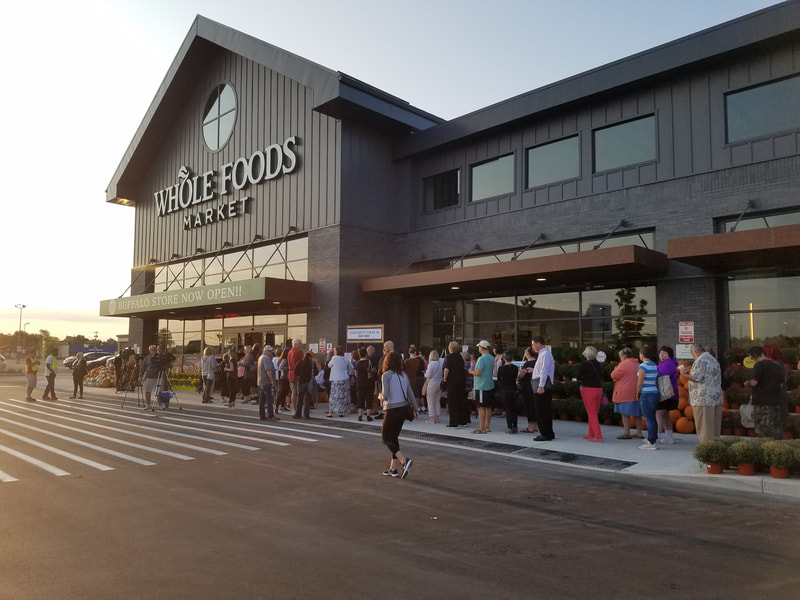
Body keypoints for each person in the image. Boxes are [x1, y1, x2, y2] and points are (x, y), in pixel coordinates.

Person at [379, 351, 417, 479]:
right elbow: (410, 393)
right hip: (403, 409)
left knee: (385, 438)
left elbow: (385, 395)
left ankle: (404, 460)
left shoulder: (386, 375)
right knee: (394, 438)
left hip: (392, 409)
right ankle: (393, 468)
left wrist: (379, 395)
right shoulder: (403, 375)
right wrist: (415, 409)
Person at [679, 343, 723, 443]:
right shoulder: (713, 359)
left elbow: (695, 377)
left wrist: (683, 374)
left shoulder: (700, 360)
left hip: (703, 399)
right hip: (715, 397)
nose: (692, 356)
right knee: (714, 427)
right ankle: (715, 447)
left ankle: (706, 449)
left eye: (692, 353)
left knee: (704, 427)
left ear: (696, 352)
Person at [744, 346, 787, 440]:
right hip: (775, 403)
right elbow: (781, 384)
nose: (752, 360)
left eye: (752, 358)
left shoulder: (759, 365)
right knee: (775, 432)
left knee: (763, 433)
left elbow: (754, 382)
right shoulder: (777, 366)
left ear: (755, 355)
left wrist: (747, 383)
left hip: (762, 404)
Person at [611, 347, 643, 439]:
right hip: (636, 392)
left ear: (623, 356)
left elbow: (613, 375)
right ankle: (639, 433)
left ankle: (627, 433)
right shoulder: (637, 364)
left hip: (624, 393)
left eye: (620, 356)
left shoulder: (623, 364)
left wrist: (615, 368)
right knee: (637, 414)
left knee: (625, 414)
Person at [531, 336, 555, 441]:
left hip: (542, 386)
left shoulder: (544, 354)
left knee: (541, 411)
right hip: (543, 384)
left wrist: (541, 386)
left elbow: (544, 371)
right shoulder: (544, 354)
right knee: (545, 410)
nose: (532, 346)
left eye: (533, 344)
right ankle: (548, 433)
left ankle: (545, 433)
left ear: (538, 344)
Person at [578, 346, 604, 442]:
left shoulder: (584, 364)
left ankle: (598, 436)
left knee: (591, 413)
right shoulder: (598, 364)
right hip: (598, 389)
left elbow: (578, 375)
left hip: (588, 389)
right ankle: (591, 434)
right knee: (593, 413)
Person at [636, 345, 660, 450]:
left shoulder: (643, 366)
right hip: (654, 392)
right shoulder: (654, 365)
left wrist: (637, 393)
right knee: (652, 418)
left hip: (646, 393)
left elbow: (640, 382)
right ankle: (652, 438)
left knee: (648, 418)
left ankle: (651, 442)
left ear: (642, 354)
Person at [469, 340, 496, 434]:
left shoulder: (481, 359)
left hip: (481, 386)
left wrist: (470, 371)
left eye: (479, 347)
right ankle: (487, 427)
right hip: (489, 384)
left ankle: (481, 427)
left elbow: (478, 373)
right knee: (488, 407)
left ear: (481, 347)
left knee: (481, 407)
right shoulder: (492, 358)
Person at [656, 346, 679, 444]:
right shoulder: (666, 363)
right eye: (660, 353)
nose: (661, 355)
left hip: (666, 394)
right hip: (671, 394)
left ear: (669, 354)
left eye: (664, 353)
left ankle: (656, 437)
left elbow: (659, 374)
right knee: (665, 416)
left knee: (659, 414)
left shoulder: (668, 364)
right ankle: (669, 437)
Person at [443, 342, 467, 428]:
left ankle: (453, 422)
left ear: (450, 348)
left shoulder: (448, 357)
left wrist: (444, 379)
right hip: (460, 382)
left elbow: (446, 369)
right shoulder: (460, 357)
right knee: (460, 401)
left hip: (452, 382)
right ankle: (462, 421)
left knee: (452, 402)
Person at [497, 350, 520, 434]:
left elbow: (499, 379)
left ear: (504, 358)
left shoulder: (501, 368)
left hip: (505, 390)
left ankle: (509, 427)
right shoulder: (515, 368)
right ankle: (515, 426)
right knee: (514, 409)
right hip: (514, 389)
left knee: (508, 409)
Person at [517, 347, 537, 433]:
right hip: (535, 386)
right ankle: (535, 426)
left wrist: (518, 377)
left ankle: (530, 427)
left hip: (527, 387)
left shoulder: (527, 364)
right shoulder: (537, 362)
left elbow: (521, 375)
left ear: (528, 353)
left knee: (529, 407)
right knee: (535, 406)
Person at [326, 346, 351, 417]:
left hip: (336, 379)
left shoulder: (334, 358)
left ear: (336, 352)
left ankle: (330, 412)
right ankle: (341, 412)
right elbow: (351, 367)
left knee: (333, 396)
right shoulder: (345, 359)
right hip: (345, 379)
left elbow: (329, 365)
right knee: (342, 396)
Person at [258, 345, 279, 421]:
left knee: (262, 400)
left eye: (271, 351)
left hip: (261, 382)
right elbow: (268, 370)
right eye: (269, 351)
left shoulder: (261, 357)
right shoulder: (266, 358)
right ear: (265, 351)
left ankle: (262, 415)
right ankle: (270, 415)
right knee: (269, 399)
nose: (271, 352)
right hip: (266, 382)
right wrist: (272, 381)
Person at [293, 351, 316, 419]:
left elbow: (296, 372)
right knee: (308, 399)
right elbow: (316, 372)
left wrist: (301, 375)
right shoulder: (312, 363)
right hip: (309, 383)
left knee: (300, 398)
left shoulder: (300, 362)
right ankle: (306, 414)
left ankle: (298, 414)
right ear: (310, 357)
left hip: (301, 382)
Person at [354, 347, 375, 422]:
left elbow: (356, 374)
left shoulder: (357, 363)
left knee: (360, 398)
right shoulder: (369, 362)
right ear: (366, 354)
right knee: (368, 397)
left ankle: (360, 415)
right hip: (368, 382)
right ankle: (368, 415)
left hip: (360, 382)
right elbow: (372, 370)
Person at [139, 344, 162, 411]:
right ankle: (148, 405)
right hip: (149, 377)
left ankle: (159, 404)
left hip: (157, 377)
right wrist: (140, 375)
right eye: (151, 350)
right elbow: (143, 367)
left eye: (154, 349)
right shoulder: (147, 358)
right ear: (149, 351)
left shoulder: (159, 357)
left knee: (158, 392)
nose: (153, 351)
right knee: (147, 391)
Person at [423, 349, 443, 424]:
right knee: (437, 401)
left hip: (432, 383)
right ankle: (437, 417)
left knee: (430, 401)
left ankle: (432, 418)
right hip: (440, 383)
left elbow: (428, 375)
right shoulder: (440, 363)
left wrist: (424, 374)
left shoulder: (431, 364)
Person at [403, 345, 424, 413]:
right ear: (415, 352)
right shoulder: (420, 360)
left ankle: (415, 408)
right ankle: (422, 407)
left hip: (412, 379)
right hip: (421, 377)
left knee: (414, 394)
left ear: (409, 352)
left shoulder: (407, 361)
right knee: (421, 393)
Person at [287, 339, 304, 413]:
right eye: (300, 344)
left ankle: (294, 408)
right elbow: (302, 363)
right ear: (296, 344)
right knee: (298, 391)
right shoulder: (298, 352)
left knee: (293, 391)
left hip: (291, 373)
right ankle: (299, 407)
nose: (301, 345)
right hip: (298, 374)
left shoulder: (289, 352)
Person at [274, 346, 291, 412]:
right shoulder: (284, 359)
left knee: (284, 392)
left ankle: (283, 405)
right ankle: (276, 406)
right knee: (280, 392)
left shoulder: (286, 359)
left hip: (286, 378)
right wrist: (288, 368)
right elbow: (280, 367)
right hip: (283, 378)